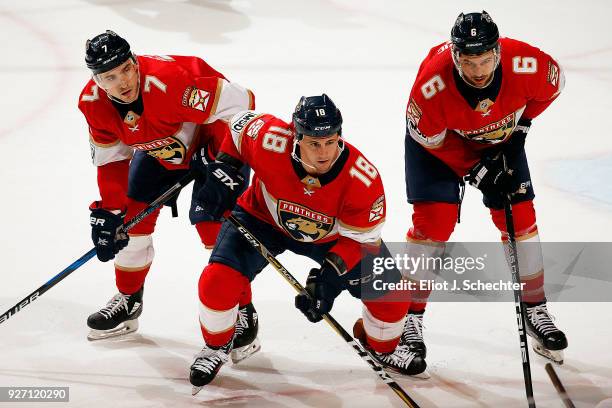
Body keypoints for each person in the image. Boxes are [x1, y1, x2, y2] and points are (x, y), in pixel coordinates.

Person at [188, 94, 426, 391]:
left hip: (333, 239)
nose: (323, 152)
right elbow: (236, 128)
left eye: (330, 140)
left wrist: (328, 279)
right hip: (263, 220)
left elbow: (359, 241)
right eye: (314, 142)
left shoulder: (362, 179)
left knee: (392, 299)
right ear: (295, 136)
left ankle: (383, 347)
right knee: (216, 283)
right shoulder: (270, 139)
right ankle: (217, 346)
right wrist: (225, 171)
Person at [402, 11, 568, 364]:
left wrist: (521, 128)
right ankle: (408, 316)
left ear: (497, 52)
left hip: (498, 139)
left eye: (484, 59)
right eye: (468, 61)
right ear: (455, 56)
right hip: (438, 146)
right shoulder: (432, 86)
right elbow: (427, 136)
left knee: (521, 219)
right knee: (434, 227)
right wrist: (475, 171)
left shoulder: (527, 63)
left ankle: (535, 307)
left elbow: (554, 86)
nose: (477, 70)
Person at [78, 30, 253, 341]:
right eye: (110, 77)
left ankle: (243, 313)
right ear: (97, 82)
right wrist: (110, 211)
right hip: (160, 150)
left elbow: (243, 104)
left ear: (134, 63)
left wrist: (223, 159)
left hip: (214, 147)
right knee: (129, 223)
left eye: (126, 69)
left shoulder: (172, 81)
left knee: (213, 226)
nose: (123, 82)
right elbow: (112, 161)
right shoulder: (94, 105)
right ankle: (128, 299)